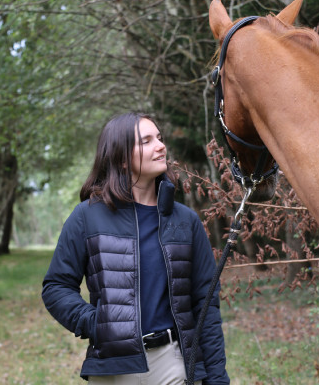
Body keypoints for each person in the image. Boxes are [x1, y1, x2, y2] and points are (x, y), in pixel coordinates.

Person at [42, 112, 230, 384]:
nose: (161, 146)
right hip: (113, 366)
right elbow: (56, 287)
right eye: (146, 141)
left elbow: (206, 305)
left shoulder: (185, 221)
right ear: (120, 157)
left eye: (160, 138)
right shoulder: (87, 216)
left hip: (174, 364)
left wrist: (216, 378)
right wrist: (94, 323)